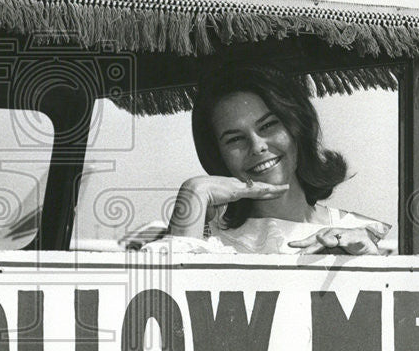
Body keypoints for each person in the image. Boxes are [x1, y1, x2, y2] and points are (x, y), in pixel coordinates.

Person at [159, 65, 391, 255]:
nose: (257, 146)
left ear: (297, 126)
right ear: (218, 155)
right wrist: (194, 191)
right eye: (235, 139)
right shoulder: (205, 241)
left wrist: (369, 262)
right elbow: (162, 301)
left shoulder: (357, 232)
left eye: (268, 125)